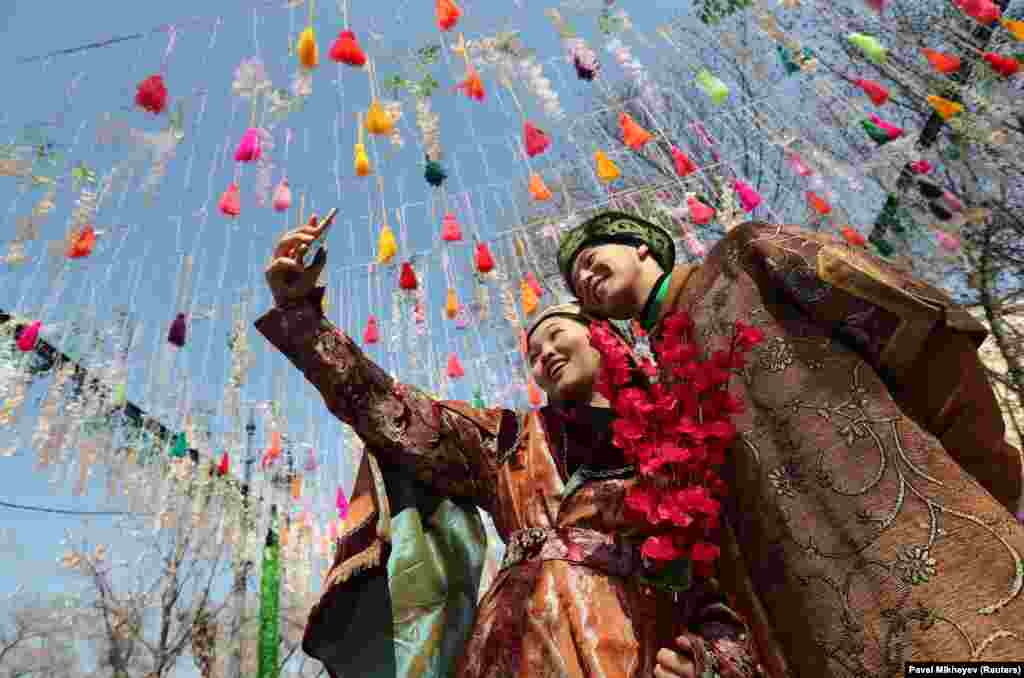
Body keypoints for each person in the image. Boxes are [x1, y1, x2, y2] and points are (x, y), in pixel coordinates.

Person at [257, 214, 761, 678]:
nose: (543, 357)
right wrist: (302, 317)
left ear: (606, 338)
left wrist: (708, 660)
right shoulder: (507, 441)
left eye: (556, 336)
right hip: (511, 647)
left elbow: (727, 587)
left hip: (633, 649)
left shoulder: (682, 438)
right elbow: (386, 406)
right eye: (533, 357)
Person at [558, 210, 1024, 676]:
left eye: (590, 257)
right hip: (818, 642)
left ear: (641, 245)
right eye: (574, 281)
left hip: (941, 570)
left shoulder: (748, 259)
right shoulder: (663, 398)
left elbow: (920, 330)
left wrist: (985, 481)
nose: (583, 276)